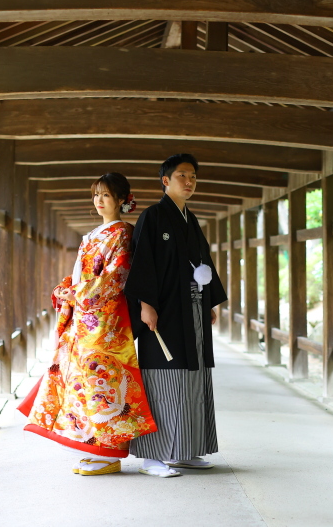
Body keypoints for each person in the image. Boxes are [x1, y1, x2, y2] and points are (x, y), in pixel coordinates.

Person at [17, 173, 157, 476]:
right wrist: (65, 289)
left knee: (103, 384)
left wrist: (77, 293)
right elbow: (80, 276)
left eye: (106, 196)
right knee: (84, 385)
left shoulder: (122, 233)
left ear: (121, 200)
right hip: (85, 318)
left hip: (107, 321)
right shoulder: (93, 234)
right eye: (96, 196)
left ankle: (109, 453)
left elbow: (116, 277)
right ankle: (94, 447)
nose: (99, 201)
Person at [125, 153, 228, 478]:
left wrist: (209, 301)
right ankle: (152, 457)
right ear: (166, 180)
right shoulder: (153, 217)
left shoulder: (191, 219)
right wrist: (145, 303)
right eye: (182, 175)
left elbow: (203, 264)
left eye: (193, 177)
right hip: (165, 311)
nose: (189, 181)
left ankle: (184, 450)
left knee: (193, 378)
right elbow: (142, 262)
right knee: (162, 379)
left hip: (192, 310)